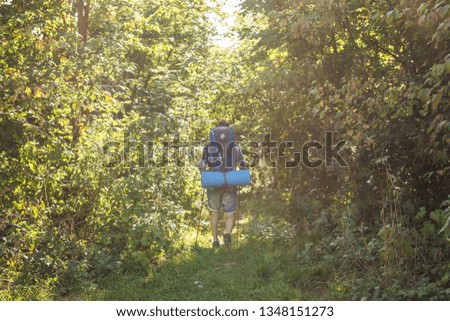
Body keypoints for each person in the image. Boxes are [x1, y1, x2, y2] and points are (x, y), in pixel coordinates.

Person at [198, 120, 247, 249]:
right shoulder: (235, 146)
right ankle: (227, 233)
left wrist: (204, 175)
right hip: (230, 183)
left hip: (213, 182)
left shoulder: (208, 146)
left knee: (214, 211)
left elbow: (201, 165)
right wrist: (240, 175)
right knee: (229, 212)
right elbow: (243, 164)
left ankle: (215, 240)